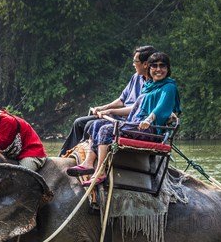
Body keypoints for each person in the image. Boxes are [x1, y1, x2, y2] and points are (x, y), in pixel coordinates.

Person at [72, 51, 181, 186]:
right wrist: (108, 110)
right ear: (149, 68)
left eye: (162, 66)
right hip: (134, 124)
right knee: (96, 124)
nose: (158, 69)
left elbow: (162, 107)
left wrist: (148, 120)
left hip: (149, 130)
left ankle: (100, 171)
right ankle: (88, 162)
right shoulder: (148, 86)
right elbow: (135, 107)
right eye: (154, 66)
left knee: (106, 130)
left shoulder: (169, 87)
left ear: (167, 69)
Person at [58, 45, 157, 157]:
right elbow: (122, 100)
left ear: (145, 64)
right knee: (79, 122)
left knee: (90, 125)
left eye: (135, 61)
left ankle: (86, 157)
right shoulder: (136, 77)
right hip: (118, 117)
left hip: (130, 121)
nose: (133, 64)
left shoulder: (155, 85)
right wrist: (103, 108)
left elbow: (137, 110)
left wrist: (110, 111)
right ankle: (63, 156)